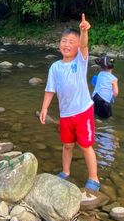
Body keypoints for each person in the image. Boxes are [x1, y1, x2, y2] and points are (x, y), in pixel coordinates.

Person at [39, 14, 100, 191]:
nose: (67, 45)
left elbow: (84, 45)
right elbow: (50, 89)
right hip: (65, 114)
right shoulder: (55, 67)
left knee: (85, 145)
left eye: (71, 42)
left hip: (83, 111)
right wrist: (44, 108)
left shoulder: (80, 61)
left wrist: (83, 31)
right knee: (67, 145)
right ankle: (65, 172)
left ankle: (94, 178)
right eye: (64, 41)